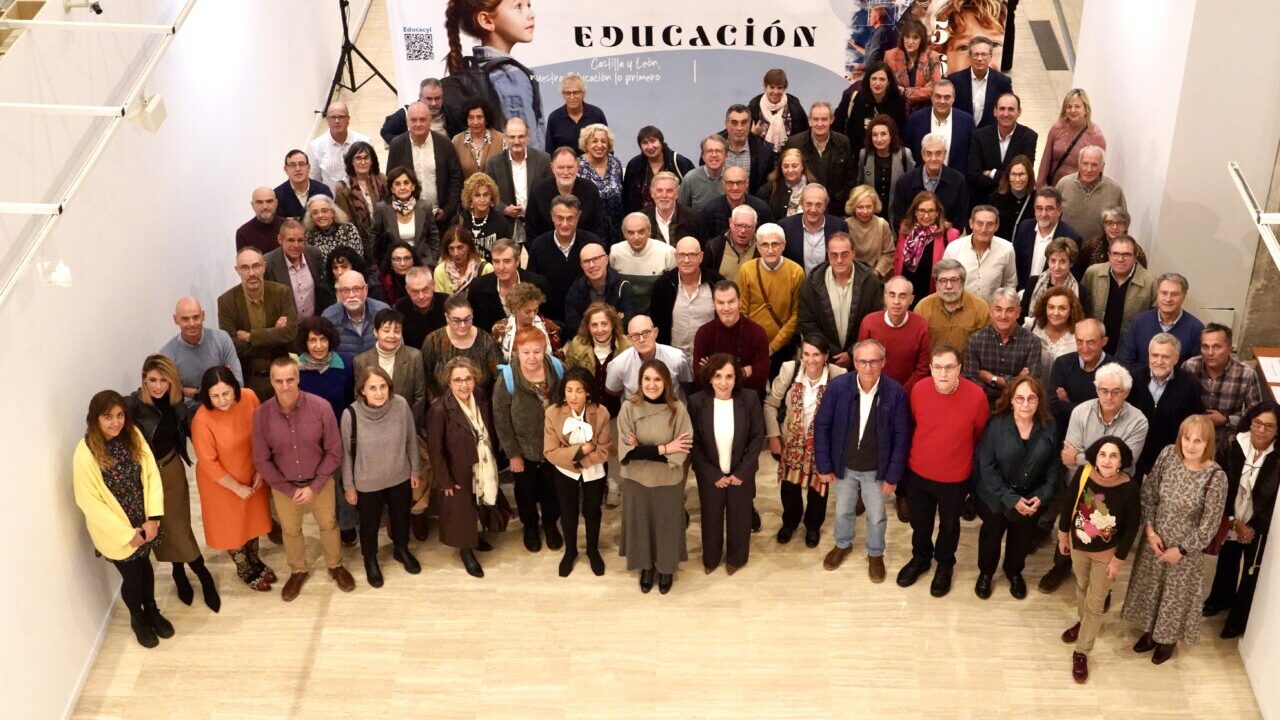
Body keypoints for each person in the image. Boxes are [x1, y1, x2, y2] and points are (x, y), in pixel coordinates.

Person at [1122, 416, 1228, 664]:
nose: (1190, 446)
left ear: (1208, 443)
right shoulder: (1168, 455)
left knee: (1174, 597)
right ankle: (1150, 632)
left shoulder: (1216, 477)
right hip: (1155, 541)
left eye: (1198, 441)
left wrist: (1181, 550)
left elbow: (1209, 525)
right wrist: (1150, 531)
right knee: (1151, 589)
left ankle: (1167, 640)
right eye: (1186, 438)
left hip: (1184, 552)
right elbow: (1149, 495)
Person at [73, 390, 173, 648]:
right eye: (108, 417)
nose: (116, 422)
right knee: (133, 577)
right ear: (95, 419)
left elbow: (151, 473)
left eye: (120, 415)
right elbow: (89, 502)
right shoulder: (85, 453)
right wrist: (127, 534)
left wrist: (152, 518)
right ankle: (137, 617)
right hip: (117, 531)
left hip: (143, 522)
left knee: (145, 566)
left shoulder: (133, 435)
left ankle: (151, 609)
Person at [1041, 361, 1150, 594]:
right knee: (1072, 526)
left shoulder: (1138, 421)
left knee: (1105, 538)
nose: (1109, 396)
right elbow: (1066, 455)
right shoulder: (1081, 412)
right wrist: (1094, 459)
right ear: (1096, 389)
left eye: (1116, 391)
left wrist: (1081, 457)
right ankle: (1061, 566)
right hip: (1080, 485)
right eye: (1103, 390)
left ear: (1126, 392)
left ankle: (1102, 588)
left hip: (1115, 491)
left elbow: (1125, 463)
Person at [251, 358, 354, 600]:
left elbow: (334, 450)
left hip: (320, 481)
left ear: (298, 378)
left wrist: (315, 485)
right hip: (284, 486)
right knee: (291, 530)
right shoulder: (261, 415)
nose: (285, 386)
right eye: (279, 381)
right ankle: (298, 570)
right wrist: (287, 489)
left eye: (290, 379)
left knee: (328, 524)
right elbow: (262, 460)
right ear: (272, 382)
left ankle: (335, 565)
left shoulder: (321, 407)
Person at [124, 355, 219, 611]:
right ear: (144, 379)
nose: (157, 386)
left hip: (171, 469)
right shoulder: (132, 405)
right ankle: (180, 571)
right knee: (162, 528)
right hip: (145, 480)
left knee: (178, 525)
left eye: (163, 380)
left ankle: (202, 573)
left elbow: (196, 423)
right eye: (152, 379)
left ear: (172, 381)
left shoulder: (177, 404)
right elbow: (106, 422)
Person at [896, 344, 990, 597]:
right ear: (930, 369)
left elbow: (979, 434)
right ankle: (921, 558)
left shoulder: (976, 396)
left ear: (959, 368)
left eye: (949, 367)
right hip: (919, 473)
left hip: (955, 477)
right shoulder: (919, 389)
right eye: (937, 367)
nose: (943, 373)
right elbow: (915, 424)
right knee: (920, 522)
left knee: (949, 525)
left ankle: (945, 564)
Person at [814, 339, 910, 578]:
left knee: (876, 515)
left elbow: (901, 437)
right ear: (855, 362)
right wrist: (824, 465)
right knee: (843, 510)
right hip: (843, 466)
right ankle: (842, 544)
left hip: (876, 470)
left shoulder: (895, 392)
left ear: (883, 362)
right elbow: (822, 426)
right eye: (863, 361)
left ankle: (875, 553)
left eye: (874, 361)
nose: (868, 367)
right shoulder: (837, 387)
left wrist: (892, 476)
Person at [1057, 436, 1142, 684]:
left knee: (1095, 603)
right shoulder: (1085, 475)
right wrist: (1063, 536)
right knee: (1082, 586)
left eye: (1113, 456)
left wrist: (1118, 560)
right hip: (1078, 546)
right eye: (1103, 454)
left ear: (1121, 461)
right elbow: (1068, 505)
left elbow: (1131, 527)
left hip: (1106, 556)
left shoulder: (1129, 488)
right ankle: (1083, 623)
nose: (1106, 460)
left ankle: (1082, 651)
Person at [425, 357, 512, 578]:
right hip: (458, 470)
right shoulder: (439, 410)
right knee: (461, 513)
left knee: (479, 504)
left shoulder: (481, 397)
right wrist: (444, 480)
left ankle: (476, 538)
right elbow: (436, 451)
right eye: (457, 380)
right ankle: (466, 551)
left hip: (483, 464)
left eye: (468, 379)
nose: (464, 385)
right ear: (449, 382)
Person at [974, 376, 1058, 600]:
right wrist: (1010, 498)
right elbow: (987, 466)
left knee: (1021, 539)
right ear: (1011, 400)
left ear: (1039, 401)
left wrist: (1042, 495)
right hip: (996, 496)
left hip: (1030, 497)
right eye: (1019, 398)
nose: (1025, 404)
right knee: (991, 537)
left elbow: (1053, 467)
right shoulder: (996, 425)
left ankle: (1013, 572)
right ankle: (986, 573)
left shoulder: (1049, 426)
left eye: (1031, 398)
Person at [190, 367, 274, 592]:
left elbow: (262, 432)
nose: (222, 400)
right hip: (221, 485)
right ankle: (244, 568)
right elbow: (208, 463)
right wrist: (236, 487)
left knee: (253, 521)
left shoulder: (249, 397)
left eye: (226, 393)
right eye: (214, 396)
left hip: (251, 472)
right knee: (233, 528)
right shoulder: (202, 420)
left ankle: (256, 560)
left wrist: (261, 469)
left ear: (235, 388)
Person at [339, 365, 421, 588]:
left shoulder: (401, 405)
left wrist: (415, 470)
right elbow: (345, 455)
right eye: (372, 387)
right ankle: (371, 559)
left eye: (383, 386)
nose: (379, 392)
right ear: (362, 390)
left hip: (399, 475)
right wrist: (349, 486)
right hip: (367, 482)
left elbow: (411, 439)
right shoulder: (350, 414)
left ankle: (401, 549)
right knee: (369, 525)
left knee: (401, 517)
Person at [617, 360, 694, 594]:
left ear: (666, 382)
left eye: (657, 379)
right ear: (640, 382)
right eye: (647, 379)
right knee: (640, 524)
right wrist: (664, 448)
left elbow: (682, 448)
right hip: (636, 480)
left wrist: (646, 449)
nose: (652, 384)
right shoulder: (629, 408)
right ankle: (646, 566)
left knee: (667, 525)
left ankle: (667, 568)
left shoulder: (677, 409)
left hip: (667, 480)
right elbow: (628, 452)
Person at [1205, 401, 1280, 638]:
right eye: (1257, 423)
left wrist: (1253, 527)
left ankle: (1238, 619)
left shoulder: (1278, 455)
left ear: (1277, 430)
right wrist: (1232, 520)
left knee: (1250, 571)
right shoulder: (1233, 443)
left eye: (1269, 426)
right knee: (1227, 560)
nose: (1260, 430)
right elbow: (1220, 482)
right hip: (1231, 515)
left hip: (1259, 523)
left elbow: (1274, 499)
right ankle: (1219, 600)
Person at [765, 336, 848, 547]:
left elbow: (843, 416)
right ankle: (790, 522)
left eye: (816, 355)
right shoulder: (789, 370)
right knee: (790, 487)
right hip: (791, 443)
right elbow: (770, 404)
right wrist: (774, 437)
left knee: (818, 489)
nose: (810, 360)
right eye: (806, 354)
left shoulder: (839, 376)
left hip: (822, 446)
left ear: (826, 356)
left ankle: (812, 525)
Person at [689, 355, 765, 573]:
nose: (724, 382)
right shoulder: (696, 402)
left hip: (741, 474)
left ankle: (736, 559)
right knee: (710, 518)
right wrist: (713, 475)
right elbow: (694, 444)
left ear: (736, 378)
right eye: (718, 376)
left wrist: (742, 472)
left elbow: (757, 438)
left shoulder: (749, 399)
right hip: (710, 475)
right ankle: (711, 560)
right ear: (710, 378)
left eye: (729, 376)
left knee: (740, 519)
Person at [493, 327, 566, 553]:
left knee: (552, 489)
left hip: (554, 447)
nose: (532, 357)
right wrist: (513, 454)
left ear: (544, 349)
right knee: (525, 491)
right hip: (524, 449)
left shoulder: (557, 368)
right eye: (526, 352)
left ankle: (551, 523)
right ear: (517, 352)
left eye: (537, 351)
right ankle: (531, 526)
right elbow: (501, 420)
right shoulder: (507, 378)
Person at [543, 366, 613, 576]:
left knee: (592, 511)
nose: (573, 396)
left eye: (579, 391)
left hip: (594, 470)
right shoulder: (553, 413)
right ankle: (571, 551)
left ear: (588, 392)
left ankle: (592, 550)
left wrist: (577, 457)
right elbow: (550, 452)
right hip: (564, 471)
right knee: (567, 512)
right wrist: (581, 450)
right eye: (569, 390)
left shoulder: (600, 413)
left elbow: (604, 450)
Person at [563, 303, 632, 508]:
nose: (600, 329)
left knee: (613, 449)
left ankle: (613, 485)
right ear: (588, 326)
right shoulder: (577, 345)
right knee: (590, 447)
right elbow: (569, 374)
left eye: (604, 323)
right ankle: (594, 486)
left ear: (613, 324)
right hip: (588, 410)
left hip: (617, 408)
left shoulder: (626, 345)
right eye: (595, 325)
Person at [218, 247, 298, 400]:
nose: (252, 273)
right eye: (245, 268)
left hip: (283, 378)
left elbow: (290, 333)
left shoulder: (282, 292)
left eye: (256, 266)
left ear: (264, 266)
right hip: (249, 381)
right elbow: (232, 345)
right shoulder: (226, 301)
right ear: (237, 270)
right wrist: (274, 334)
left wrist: (250, 337)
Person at [797, 233, 885, 370]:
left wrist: (852, 352)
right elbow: (807, 322)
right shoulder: (812, 283)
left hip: (862, 360)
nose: (839, 260)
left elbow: (876, 321)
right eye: (834, 255)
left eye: (844, 254)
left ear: (853, 253)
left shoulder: (870, 281)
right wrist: (832, 352)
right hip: (824, 359)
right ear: (827, 254)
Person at [1128, 334, 1204, 480]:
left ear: (1176, 359)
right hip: (1136, 457)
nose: (1159, 361)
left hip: (1172, 460)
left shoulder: (1190, 385)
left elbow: (1195, 423)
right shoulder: (1133, 379)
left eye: (1165, 357)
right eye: (1154, 355)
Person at [1183, 324, 1265, 447]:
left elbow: (1257, 413)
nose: (1210, 353)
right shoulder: (1189, 367)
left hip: (1225, 440)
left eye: (1216, 347)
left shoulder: (1246, 374)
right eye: (1205, 347)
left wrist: (1226, 420)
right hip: (1191, 436)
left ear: (1229, 348)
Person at [738, 223, 806, 372]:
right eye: (764, 245)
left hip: (783, 346)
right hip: (752, 344)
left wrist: (773, 347)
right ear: (757, 246)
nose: (770, 250)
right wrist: (752, 341)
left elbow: (796, 314)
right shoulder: (747, 270)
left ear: (783, 245)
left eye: (775, 244)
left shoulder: (796, 272)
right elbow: (742, 310)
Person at [386, 102, 463, 231]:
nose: (418, 124)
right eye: (413, 120)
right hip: (408, 219)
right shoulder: (397, 145)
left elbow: (455, 179)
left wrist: (448, 210)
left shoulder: (445, 144)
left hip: (441, 218)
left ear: (430, 120)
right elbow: (391, 180)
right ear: (407, 121)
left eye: (422, 119)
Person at [963, 288, 1043, 406]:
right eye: (998, 309)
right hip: (983, 404)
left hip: (1018, 406)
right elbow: (972, 384)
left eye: (1009, 310)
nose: (1003, 315)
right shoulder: (975, 340)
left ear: (1018, 312)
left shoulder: (1032, 342)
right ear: (990, 311)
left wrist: (992, 379)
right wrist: (1016, 381)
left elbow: (1031, 384)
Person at [1080, 235, 1157, 355]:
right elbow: (1081, 307)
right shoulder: (1092, 273)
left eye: (1126, 254)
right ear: (1109, 255)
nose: (1120, 259)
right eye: (1115, 254)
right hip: (1093, 348)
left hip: (1129, 350)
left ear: (1135, 256)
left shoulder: (1150, 282)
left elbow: (1154, 321)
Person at [525, 194, 595, 319]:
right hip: (549, 319)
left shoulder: (592, 243)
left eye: (570, 218)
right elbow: (531, 286)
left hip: (587, 318)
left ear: (578, 217)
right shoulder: (538, 245)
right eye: (560, 218)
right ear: (552, 216)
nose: (564, 224)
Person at [693, 281, 771, 394]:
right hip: (712, 398)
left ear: (740, 302)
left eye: (731, 302)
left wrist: (713, 371)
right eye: (720, 302)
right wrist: (743, 372)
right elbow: (700, 378)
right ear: (714, 304)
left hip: (747, 400)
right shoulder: (704, 333)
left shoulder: (757, 333)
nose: (726, 308)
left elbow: (759, 380)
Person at [857, 275, 931, 392]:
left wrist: (901, 392)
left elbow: (922, 368)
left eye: (902, 296)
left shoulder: (921, 325)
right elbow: (861, 361)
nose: (896, 301)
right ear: (885, 297)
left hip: (907, 392)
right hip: (874, 390)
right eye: (892, 295)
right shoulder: (869, 322)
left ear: (911, 299)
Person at [485, 118, 552, 246]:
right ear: (505, 138)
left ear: (528, 137)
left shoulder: (543, 160)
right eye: (512, 137)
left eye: (521, 137)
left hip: (538, 225)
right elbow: (488, 194)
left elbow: (550, 192)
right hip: (507, 226)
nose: (516, 141)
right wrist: (504, 209)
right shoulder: (494, 163)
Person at [1117, 273, 1204, 370]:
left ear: (1183, 297)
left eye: (1174, 294)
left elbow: (1194, 369)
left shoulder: (1196, 329)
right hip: (1139, 383)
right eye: (1164, 293)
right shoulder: (1139, 322)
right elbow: (1125, 361)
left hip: (1177, 384)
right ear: (1157, 294)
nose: (1168, 299)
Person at [422, 294, 501, 399]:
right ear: (447, 317)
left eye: (467, 319)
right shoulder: (433, 341)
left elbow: (498, 377)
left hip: (479, 404)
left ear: (472, 314)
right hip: (443, 406)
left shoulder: (485, 340)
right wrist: (433, 401)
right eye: (456, 321)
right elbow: (425, 378)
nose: (463, 325)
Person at [161, 297, 243, 397]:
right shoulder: (167, 355)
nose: (192, 323)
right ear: (175, 320)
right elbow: (169, 392)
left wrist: (192, 392)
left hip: (224, 404)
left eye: (196, 317)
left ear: (203, 316)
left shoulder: (222, 339)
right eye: (185, 319)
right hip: (190, 410)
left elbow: (238, 384)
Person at [353, 308, 427, 420]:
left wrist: (409, 424)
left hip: (405, 420)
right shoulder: (361, 361)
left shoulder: (414, 356)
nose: (392, 336)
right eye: (386, 331)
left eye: (397, 331)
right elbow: (359, 397)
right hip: (373, 422)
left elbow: (419, 397)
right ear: (376, 332)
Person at [467, 238, 550, 334]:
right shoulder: (478, 287)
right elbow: (473, 325)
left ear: (517, 261)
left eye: (507, 261)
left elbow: (549, 320)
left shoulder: (538, 284)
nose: (501, 267)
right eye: (496, 261)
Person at [782, 102, 855, 210]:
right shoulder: (795, 143)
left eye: (824, 119)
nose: (819, 124)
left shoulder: (843, 142)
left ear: (832, 120)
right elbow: (785, 177)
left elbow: (850, 177)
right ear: (809, 120)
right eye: (815, 119)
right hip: (805, 207)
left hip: (836, 208)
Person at [606, 314, 694, 402]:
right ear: (629, 339)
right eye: (635, 335)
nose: (641, 340)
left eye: (646, 333)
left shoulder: (676, 358)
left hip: (673, 411)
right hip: (637, 413)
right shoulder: (619, 364)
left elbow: (687, 385)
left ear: (655, 332)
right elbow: (612, 391)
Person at [1047, 319, 1110, 442]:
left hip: (1098, 441)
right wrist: (1091, 410)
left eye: (1091, 342)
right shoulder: (1062, 363)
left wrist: (1067, 403)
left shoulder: (1115, 370)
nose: (1084, 348)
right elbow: (1054, 406)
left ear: (1104, 341)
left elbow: (1105, 417)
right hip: (1062, 437)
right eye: (1080, 341)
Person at [890, 133, 968, 230]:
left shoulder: (958, 181)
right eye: (929, 153)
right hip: (912, 240)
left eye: (938, 153)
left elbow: (959, 220)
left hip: (946, 241)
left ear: (945, 154)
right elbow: (899, 219)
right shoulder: (904, 182)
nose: (933, 158)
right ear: (922, 154)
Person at [1012, 187, 1082, 291]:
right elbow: (1017, 263)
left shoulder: (1071, 237)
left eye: (1049, 209)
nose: (1043, 214)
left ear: (1059, 211)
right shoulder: (1025, 227)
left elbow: (1071, 276)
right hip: (1022, 291)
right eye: (1039, 208)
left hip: (1051, 296)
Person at [370, 166, 441, 267]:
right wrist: (378, 263)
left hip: (423, 263)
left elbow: (433, 235)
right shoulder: (382, 208)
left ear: (413, 186)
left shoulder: (425, 206)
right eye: (397, 184)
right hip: (393, 266)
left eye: (406, 183)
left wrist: (433, 258)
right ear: (392, 189)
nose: (402, 187)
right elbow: (373, 236)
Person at [893, 191, 959, 301]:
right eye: (922, 211)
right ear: (915, 212)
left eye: (931, 211)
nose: (926, 216)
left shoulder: (950, 235)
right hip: (906, 297)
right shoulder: (905, 232)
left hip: (932, 297)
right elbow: (897, 264)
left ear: (938, 213)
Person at [526, 146, 602, 240]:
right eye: (561, 168)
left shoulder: (591, 191)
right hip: (547, 252)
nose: (566, 172)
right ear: (553, 168)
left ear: (577, 167)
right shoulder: (538, 193)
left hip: (585, 250)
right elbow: (531, 231)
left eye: (570, 167)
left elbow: (599, 227)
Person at [942, 205, 1015, 302]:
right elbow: (943, 283)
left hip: (991, 313)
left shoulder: (1006, 249)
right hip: (959, 311)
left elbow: (1009, 285)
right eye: (979, 223)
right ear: (971, 223)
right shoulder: (954, 248)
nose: (984, 229)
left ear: (997, 226)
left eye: (990, 224)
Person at [913, 259, 989, 353]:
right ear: (936, 283)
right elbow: (915, 346)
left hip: (968, 367)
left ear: (963, 282)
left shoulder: (980, 308)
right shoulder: (922, 308)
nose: (949, 286)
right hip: (932, 367)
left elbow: (986, 347)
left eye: (954, 280)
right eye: (943, 280)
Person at [903, 79, 975, 175]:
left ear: (954, 98)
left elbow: (971, 157)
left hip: (956, 185)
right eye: (938, 96)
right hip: (921, 184)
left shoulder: (967, 122)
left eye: (947, 97)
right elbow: (909, 153)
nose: (942, 101)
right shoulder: (915, 120)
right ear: (931, 97)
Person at [1056, 146, 1127, 243]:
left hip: (1098, 253)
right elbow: (1053, 216)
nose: (1089, 169)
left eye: (1094, 165)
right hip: (1065, 249)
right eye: (1085, 163)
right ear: (1079, 163)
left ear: (1102, 166)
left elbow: (1123, 224)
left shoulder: (1115, 190)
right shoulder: (1063, 184)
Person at [1037, 88, 1106, 188]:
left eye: (1077, 106)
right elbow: (1045, 161)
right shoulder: (1056, 128)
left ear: (1086, 109)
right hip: (1054, 187)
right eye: (1069, 107)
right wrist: (1040, 187)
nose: (1072, 110)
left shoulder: (1095, 136)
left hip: (1078, 191)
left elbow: (1098, 172)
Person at [322, 269, 391, 367]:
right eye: (345, 290)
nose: (351, 295)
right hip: (345, 375)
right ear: (339, 293)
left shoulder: (383, 311)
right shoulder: (329, 317)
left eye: (356, 289)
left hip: (379, 375)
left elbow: (396, 348)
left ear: (366, 289)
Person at [264, 219, 330, 321]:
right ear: (280, 239)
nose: (296, 245)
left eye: (300, 240)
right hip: (287, 329)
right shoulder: (267, 263)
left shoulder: (314, 254)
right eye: (290, 240)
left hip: (313, 324)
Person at [609, 213, 675, 313]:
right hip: (626, 314)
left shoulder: (667, 252)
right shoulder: (615, 252)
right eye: (631, 233)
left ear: (649, 231)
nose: (636, 237)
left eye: (641, 232)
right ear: (624, 234)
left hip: (658, 312)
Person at [835, 62, 906, 153]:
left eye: (882, 79)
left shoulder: (897, 101)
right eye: (874, 79)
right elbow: (837, 125)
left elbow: (900, 132)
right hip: (856, 155)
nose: (877, 83)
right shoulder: (854, 97)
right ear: (868, 80)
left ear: (888, 82)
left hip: (887, 156)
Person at [622, 126, 694, 215]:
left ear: (661, 142)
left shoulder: (679, 163)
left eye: (653, 141)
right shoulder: (634, 166)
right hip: (642, 222)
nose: (650, 146)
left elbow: (692, 193)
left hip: (675, 221)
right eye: (645, 143)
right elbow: (626, 199)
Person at [779, 184, 849, 273]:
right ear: (801, 204)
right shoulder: (786, 227)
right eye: (809, 204)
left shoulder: (839, 226)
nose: (813, 210)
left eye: (819, 205)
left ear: (826, 205)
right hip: (798, 284)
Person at [854, 115, 915, 217]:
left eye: (883, 134)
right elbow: (860, 184)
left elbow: (912, 186)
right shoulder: (864, 155)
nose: (879, 139)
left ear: (891, 135)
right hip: (871, 215)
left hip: (897, 214)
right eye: (875, 135)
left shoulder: (904, 155)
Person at [946, 36, 1012, 129]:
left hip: (989, 135)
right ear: (970, 57)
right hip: (962, 131)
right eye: (976, 54)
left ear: (990, 57)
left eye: (984, 54)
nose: (979, 58)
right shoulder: (954, 80)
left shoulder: (1002, 81)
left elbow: (1008, 110)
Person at [577, 123, 625, 245]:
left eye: (604, 141)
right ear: (586, 144)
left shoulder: (615, 163)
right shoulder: (577, 166)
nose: (599, 145)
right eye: (594, 141)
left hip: (617, 229)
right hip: (590, 229)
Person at [700, 166, 774, 244]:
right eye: (730, 183)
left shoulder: (761, 208)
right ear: (723, 185)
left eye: (739, 182)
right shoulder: (710, 211)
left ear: (747, 183)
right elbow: (705, 244)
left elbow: (771, 237)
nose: (735, 188)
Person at [884, 17, 943, 114]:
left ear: (922, 39)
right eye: (907, 37)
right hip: (896, 110)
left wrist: (904, 92)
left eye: (915, 37)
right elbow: (888, 86)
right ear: (902, 37)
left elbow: (936, 89)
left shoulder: (932, 57)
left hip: (924, 111)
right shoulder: (890, 56)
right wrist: (924, 90)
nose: (910, 41)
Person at [334, 141, 389, 245]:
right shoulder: (342, 187)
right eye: (358, 158)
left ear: (372, 161)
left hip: (385, 237)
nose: (362, 162)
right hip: (359, 240)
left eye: (366, 158)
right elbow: (347, 222)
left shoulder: (382, 180)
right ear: (351, 161)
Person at [491, 281, 563, 360]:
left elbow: (558, 360)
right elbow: (496, 361)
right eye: (527, 312)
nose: (532, 315)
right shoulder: (500, 329)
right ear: (514, 309)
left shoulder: (550, 328)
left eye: (535, 310)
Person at [308, 101, 371, 188]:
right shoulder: (316, 146)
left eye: (341, 117)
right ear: (327, 120)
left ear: (348, 119)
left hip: (360, 199)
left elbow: (372, 173)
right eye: (333, 117)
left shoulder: (364, 141)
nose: (337, 121)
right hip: (331, 200)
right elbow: (314, 180)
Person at [717, 103, 776, 196]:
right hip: (719, 206)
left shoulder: (764, 150)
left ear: (750, 124)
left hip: (750, 206)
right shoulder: (714, 147)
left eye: (744, 122)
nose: (739, 128)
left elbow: (767, 186)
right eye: (734, 123)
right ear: (726, 124)